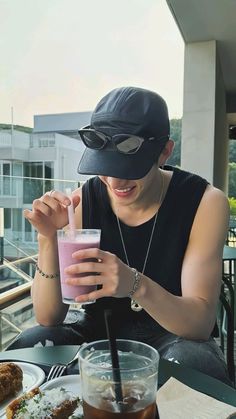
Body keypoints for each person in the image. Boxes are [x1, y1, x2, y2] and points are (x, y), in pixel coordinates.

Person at [8, 86, 231, 385]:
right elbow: (48, 318)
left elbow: (200, 325)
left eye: (130, 167)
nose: (115, 180)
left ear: (164, 151)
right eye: (105, 165)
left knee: (194, 364)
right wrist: (49, 238)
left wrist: (133, 284)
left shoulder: (203, 202)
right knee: (31, 343)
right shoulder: (82, 202)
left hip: (176, 336)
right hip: (98, 329)